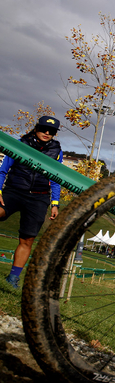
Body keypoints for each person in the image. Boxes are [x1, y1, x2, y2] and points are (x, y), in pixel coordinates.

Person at [1, 116, 63, 289]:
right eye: (44, 129)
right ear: (36, 128)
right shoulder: (21, 144)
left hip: (39, 197)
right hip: (14, 190)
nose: (47, 133)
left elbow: (55, 178)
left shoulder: (57, 151)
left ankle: (13, 278)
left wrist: (55, 203)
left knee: (27, 240)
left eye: (51, 131)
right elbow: (3, 170)